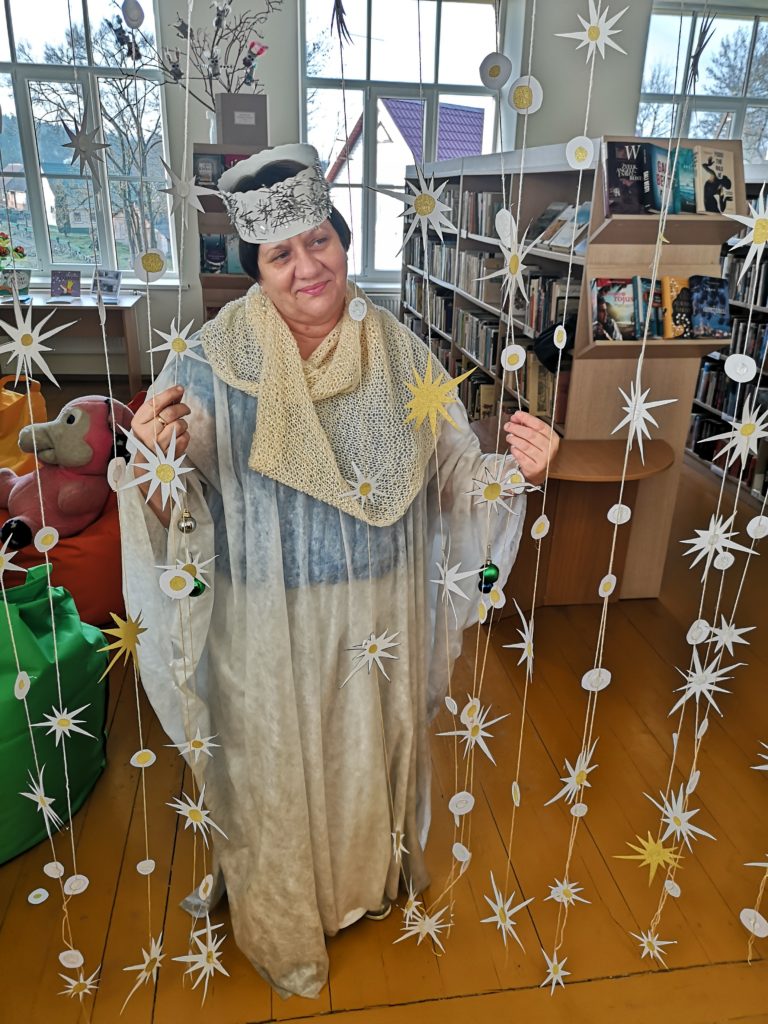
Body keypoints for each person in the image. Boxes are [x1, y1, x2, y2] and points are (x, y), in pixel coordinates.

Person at [120, 144, 559, 999]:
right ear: (255, 268)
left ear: (343, 241)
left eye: (319, 241)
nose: (307, 266)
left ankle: (363, 886)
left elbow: (449, 473)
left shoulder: (402, 353)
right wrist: (151, 460)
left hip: (377, 614)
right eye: (280, 254)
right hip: (261, 624)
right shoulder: (207, 362)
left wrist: (515, 473)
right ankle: (288, 911)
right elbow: (174, 517)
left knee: (365, 762)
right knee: (275, 774)